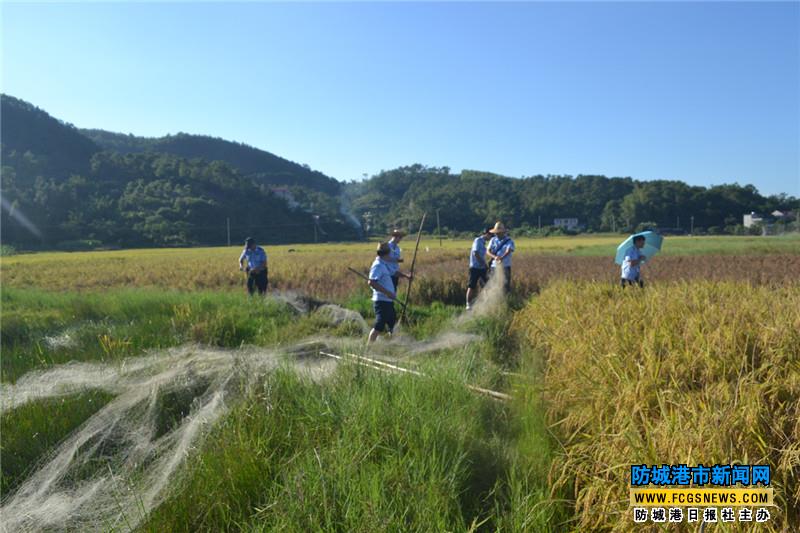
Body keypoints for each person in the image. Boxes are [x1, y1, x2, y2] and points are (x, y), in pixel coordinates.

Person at [367, 242, 407, 343]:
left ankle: (392, 344)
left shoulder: (384, 264)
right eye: (390, 253)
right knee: (379, 325)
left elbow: (393, 272)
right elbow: (371, 282)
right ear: (387, 254)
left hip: (388, 301)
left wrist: (406, 276)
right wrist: (387, 293)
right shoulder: (378, 266)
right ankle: (368, 348)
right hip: (381, 301)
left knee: (392, 323)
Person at [466, 226, 493, 310]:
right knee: (472, 286)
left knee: (486, 285)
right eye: (490, 235)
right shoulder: (478, 240)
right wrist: (483, 263)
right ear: (486, 234)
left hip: (482, 268)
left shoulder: (484, 243)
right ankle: (468, 304)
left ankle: (485, 303)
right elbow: (476, 253)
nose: (491, 237)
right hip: (475, 268)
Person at [486, 221, 515, 293]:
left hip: (505, 266)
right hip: (494, 266)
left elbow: (508, 250)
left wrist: (501, 257)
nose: (497, 234)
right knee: (493, 283)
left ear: (503, 232)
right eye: (496, 232)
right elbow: (488, 251)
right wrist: (495, 257)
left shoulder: (509, 241)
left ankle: (504, 301)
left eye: (498, 232)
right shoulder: (493, 240)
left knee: (505, 285)